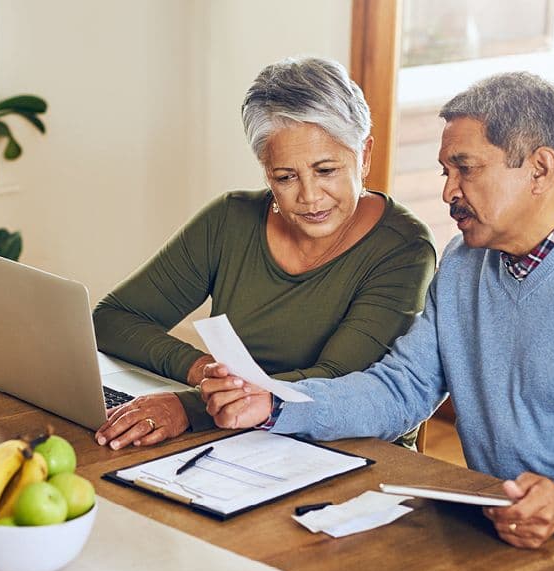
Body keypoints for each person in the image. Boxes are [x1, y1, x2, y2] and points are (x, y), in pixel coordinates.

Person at [201, 71, 554, 550]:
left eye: (464, 169)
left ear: (539, 169)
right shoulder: (464, 264)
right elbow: (400, 390)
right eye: (444, 172)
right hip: (511, 532)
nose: (447, 192)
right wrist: (274, 404)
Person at [91, 57, 436, 451]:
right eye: (285, 177)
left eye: (326, 171)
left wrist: (191, 408)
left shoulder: (403, 247)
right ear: (265, 169)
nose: (309, 197)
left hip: (348, 451)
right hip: (236, 442)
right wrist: (204, 373)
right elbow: (113, 319)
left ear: (364, 155)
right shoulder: (231, 219)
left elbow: (339, 381)